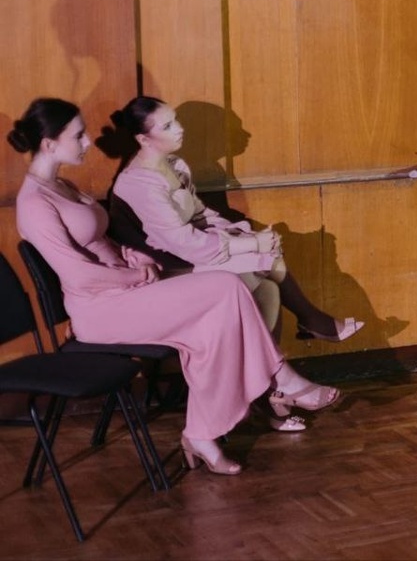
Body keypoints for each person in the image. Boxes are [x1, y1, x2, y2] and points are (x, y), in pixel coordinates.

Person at [9, 98, 341, 474]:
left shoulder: (62, 184)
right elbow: (79, 274)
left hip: (126, 291)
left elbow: (97, 242)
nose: (88, 142)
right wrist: (135, 276)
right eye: (79, 135)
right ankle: (280, 378)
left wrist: (131, 256)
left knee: (215, 320)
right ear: (49, 143)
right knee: (226, 288)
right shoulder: (34, 203)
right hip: (101, 309)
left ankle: (201, 434)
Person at [106, 97, 363, 345]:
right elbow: (181, 242)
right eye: (167, 126)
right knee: (264, 263)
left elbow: (200, 215)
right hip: (165, 268)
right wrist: (251, 245)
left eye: (176, 120)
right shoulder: (138, 183)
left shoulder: (174, 165)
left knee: (269, 288)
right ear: (143, 139)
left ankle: (276, 360)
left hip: (190, 253)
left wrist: (245, 237)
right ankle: (308, 322)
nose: (180, 129)